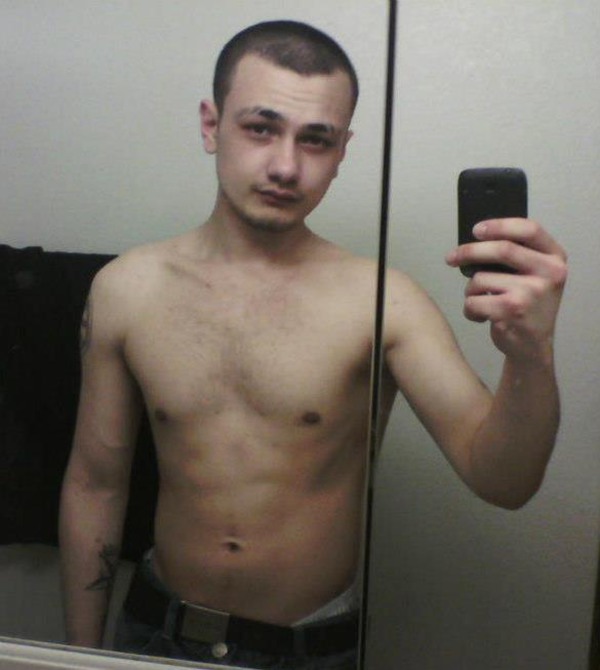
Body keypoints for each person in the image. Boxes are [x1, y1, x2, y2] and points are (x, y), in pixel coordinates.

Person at [58, 19, 567, 670]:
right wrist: (78, 658)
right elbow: (95, 486)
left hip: (308, 653)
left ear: (342, 150)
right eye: (260, 128)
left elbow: (504, 481)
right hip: (155, 634)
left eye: (316, 139)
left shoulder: (382, 302)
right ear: (212, 125)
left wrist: (531, 354)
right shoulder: (127, 290)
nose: (286, 166)